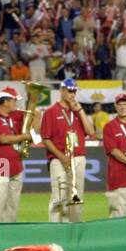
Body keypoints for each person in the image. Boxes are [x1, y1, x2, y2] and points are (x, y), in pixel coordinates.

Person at [39, 78, 94, 223]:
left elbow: (90, 131)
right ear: (62, 91)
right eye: (70, 91)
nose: (72, 94)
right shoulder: (51, 111)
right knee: (59, 197)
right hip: (58, 158)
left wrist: (80, 111)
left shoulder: (77, 111)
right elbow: (45, 138)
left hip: (78, 157)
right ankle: (56, 230)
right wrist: (62, 157)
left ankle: (75, 229)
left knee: (76, 197)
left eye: (74, 91)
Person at [0, 87, 33, 223]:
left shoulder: (16, 115)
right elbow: (3, 139)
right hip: (1, 166)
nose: (16, 103)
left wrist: (33, 102)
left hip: (16, 164)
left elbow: (35, 117)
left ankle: (11, 232)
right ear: (5, 101)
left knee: (13, 206)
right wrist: (25, 136)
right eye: (14, 100)